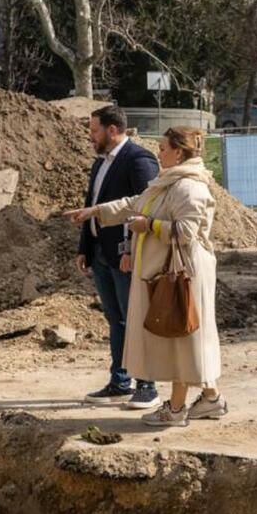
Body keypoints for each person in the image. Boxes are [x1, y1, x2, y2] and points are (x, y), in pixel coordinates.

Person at [66, 126, 227, 427]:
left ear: (178, 152)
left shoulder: (189, 187)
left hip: (183, 276)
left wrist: (149, 226)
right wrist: (95, 211)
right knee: (187, 339)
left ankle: (175, 410)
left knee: (182, 340)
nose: (159, 153)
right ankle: (211, 399)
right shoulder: (168, 183)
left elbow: (187, 232)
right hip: (171, 273)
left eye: (163, 148)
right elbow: (133, 204)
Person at [74, 105, 161, 409]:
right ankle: (120, 382)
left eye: (94, 130)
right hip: (101, 253)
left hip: (124, 255)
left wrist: (130, 248)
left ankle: (147, 385)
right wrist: (85, 247)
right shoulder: (101, 163)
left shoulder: (139, 160)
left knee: (136, 318)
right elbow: (93, 204)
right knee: (117, 320)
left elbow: (144, 207)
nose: (90, 136)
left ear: (112, 130)